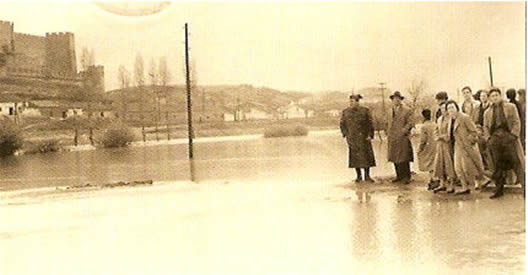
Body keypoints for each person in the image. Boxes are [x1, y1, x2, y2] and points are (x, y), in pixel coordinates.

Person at [483, 88, 525, 199]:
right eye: (492, 96)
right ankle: (499, 189)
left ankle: (525, 188)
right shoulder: (487, 112)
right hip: (495, 139)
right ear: (490, 98)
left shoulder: (510, 107)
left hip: (508, 138)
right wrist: (488, 139)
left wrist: (513, 135)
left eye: (497, 95)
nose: (495, 98)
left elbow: (517, 121)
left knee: (516, 163)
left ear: (500, 96)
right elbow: (485, 127)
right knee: (497, 166)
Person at [446, 100, 486, 195]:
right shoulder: (450, 120)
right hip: (457, 145)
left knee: (468, 166)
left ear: (456, 108)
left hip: (466, 145)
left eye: (452, 107)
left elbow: (474, 131)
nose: (450, 110)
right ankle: (465, 187)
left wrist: (469, 141)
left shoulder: (464, 117)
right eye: (448, 108)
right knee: (458, 168)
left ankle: (481, 181)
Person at [340, 93, 376, 182]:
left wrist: (369, 135)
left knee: (366, 157)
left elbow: (370, 123)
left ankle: (367, 176)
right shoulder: (345, 112)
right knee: (355, 158)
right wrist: (346, 134)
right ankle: (358, 176)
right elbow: (342, 124)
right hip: (352, 138)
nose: (350, 103)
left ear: (357, 102)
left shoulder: (365, 110)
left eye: (352, 101)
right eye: (350, 101)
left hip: (364, 137)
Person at [386, 91, 414, 184]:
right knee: (394, 157)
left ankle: (406, 176)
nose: (396, 100)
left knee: (404, 157)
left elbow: (410, 123)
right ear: (392, 100)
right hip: (392, 138)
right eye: (394, 99)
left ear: (400, 100)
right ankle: (398, 176)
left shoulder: (407, 110)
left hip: (403, 137)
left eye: (398, 99)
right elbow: (387, 123)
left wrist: (403, 131)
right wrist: (388, 133)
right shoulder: (389, 111)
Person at [432, 102, 457, 193]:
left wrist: (443, 137)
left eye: (445, 108)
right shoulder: (439, 119)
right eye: (442, 109)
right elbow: (436, 130)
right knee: (440, 163)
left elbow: (451, 133)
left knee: (449, 163)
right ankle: (442, 183)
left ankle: (451, 184)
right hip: (440, 144)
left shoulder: (451, 119)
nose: (444, 111)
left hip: (448, 144)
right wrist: (437, 136)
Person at [472, 89, 493, 171]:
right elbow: (475, 119)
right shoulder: (477, 107)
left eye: (484, 96)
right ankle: (484, 168)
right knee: (480, 150)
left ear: (488, 97)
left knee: (489, 151)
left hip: (489, 131)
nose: (482, 98)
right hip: (480, 131)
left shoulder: (491, 107)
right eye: (481, 96)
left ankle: (491, 168)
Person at [417, 109, 437, 187]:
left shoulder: (424, 126)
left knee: (429, 163)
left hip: (428, 146)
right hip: (436, 145)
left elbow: (423, 140)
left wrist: (420, 149)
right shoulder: (435, 124)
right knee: (434, 162)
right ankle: (435, 179)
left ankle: (432, 180)